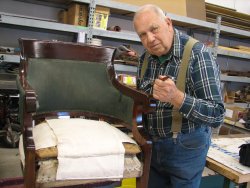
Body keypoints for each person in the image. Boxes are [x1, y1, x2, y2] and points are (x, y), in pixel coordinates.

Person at [132, 4, 225, 188]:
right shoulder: (145, 59)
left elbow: (217, 114)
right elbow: (140, 102)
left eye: (154, 29)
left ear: (168, 23)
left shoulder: (198, 55)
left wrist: (177, 97)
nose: (150, 39)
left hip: (186, 149)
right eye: (142, 34)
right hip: (152, 147)